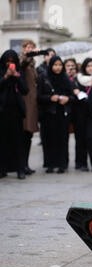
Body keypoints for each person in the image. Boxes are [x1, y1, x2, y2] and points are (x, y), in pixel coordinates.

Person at [37, 56, 73, 174]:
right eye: (55, 65)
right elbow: (39, 96)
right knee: (49, 139)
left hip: (62, 113)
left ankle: (62, 164)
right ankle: (50, 164)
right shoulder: (44, 77)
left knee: (62, 139)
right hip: (49, 113)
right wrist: (50, 98)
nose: (57, 68)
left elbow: (72, 95)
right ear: (50, 65)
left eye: (59, 65)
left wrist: (67, 99)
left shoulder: (65, 78)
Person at [0, 50, 29, 179]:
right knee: (3, 141)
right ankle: (2, 168)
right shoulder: (2, 71)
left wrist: (17, 77)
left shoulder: (19, 72)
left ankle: (20, 168)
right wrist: (5, 77)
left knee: (18, 141)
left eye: (12, 61)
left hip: (16, 111)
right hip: (2, 111)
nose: (10, 64)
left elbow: (25, 90)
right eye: (8, 61)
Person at [19, 39, 39, 175]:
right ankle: (21, 165)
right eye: (27, 47)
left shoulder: (32, 65)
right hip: (25, 103)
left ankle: (25, 164)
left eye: (32, 47)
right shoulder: (23, 60)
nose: (29, 49)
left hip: (32, 103)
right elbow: (23, 63)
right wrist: (28, 55)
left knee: (28, 137)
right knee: (22, 136)